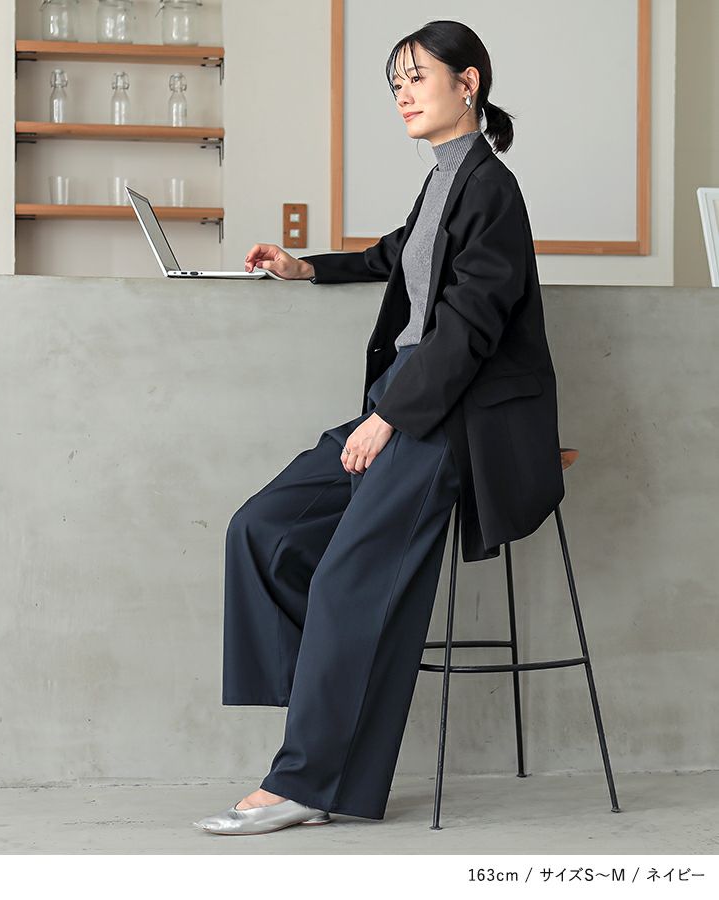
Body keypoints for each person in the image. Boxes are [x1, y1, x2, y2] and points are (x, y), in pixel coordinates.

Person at [195, 19, 564, 836]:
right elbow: (397, 254)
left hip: (450, 414)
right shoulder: (443, 181)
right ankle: (329, 727)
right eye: (394, 82)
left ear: (468, 83)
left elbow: (469, 328)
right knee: (264, 529)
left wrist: (390, 418)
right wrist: (305, 267)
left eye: (416, 76)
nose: (402, 93)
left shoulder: (492, 190)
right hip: (407, 394)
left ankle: (306, 778)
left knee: (347, 579)